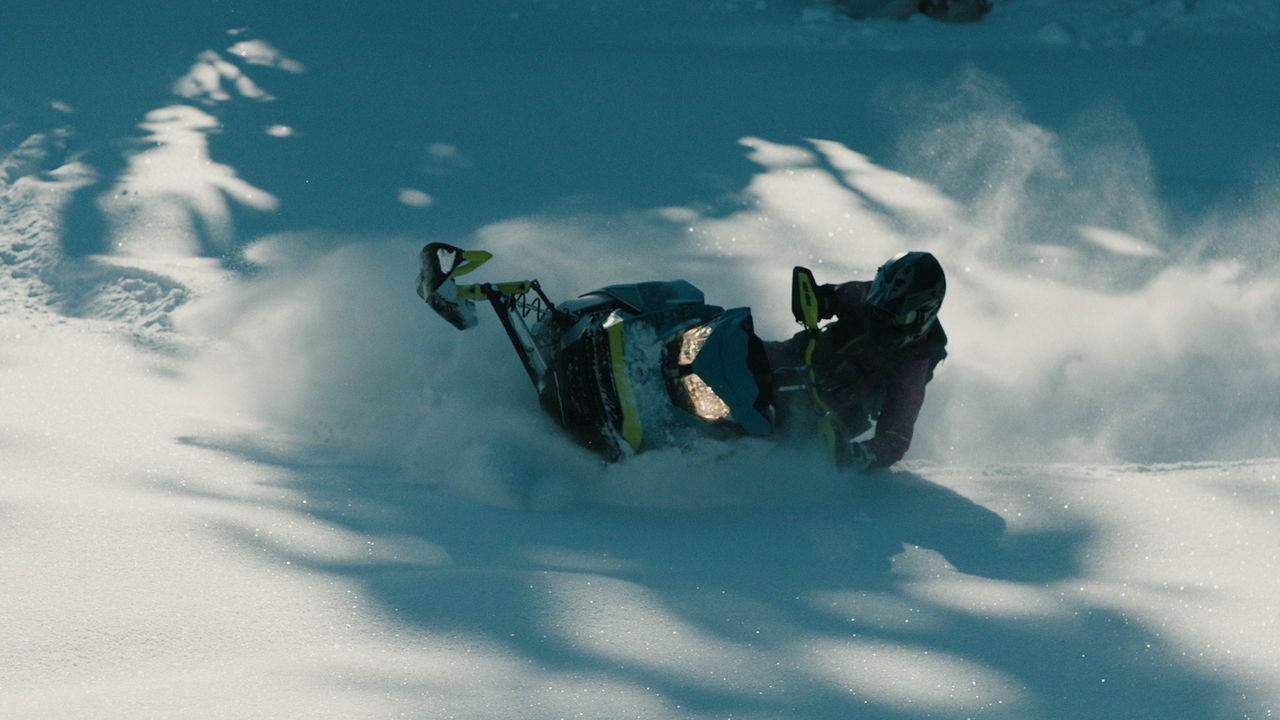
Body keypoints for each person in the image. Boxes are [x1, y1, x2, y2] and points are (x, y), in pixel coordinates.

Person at [765, 251, 948, 469]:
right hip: (802, 356)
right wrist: (822, 299)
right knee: (741, 344)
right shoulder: (869, 293)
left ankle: (758, 456)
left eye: (899, 315)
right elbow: (833, 294)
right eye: (879, 305)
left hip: (826, 410)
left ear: (923, 316)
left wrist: (856, 455)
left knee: (786, 410)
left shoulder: (912, 364)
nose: (883, 318)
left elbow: (895, 440)